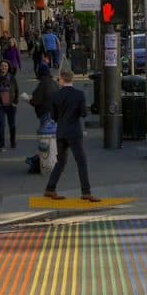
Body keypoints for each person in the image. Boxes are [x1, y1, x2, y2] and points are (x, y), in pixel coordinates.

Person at [43, 70, 98, 202]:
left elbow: (53, 116)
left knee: (60, 161)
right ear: (72, 80)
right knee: (81, 161)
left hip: (61, 131)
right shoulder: (79, 94)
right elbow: (83, 113)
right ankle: (86, 191)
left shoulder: (55, 95)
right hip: (74, 132)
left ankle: (50, 188)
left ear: (62, 80)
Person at [0, 60, 21, 151]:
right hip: (0, 106)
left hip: (11, 106)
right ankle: (2, 145)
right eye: (2, 66)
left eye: (5, 66)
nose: (4, 68)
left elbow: (16, 90)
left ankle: (12, 141)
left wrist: (15, 102)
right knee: (1, 124)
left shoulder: (12, 78)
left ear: (8, 67)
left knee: (12, 125)